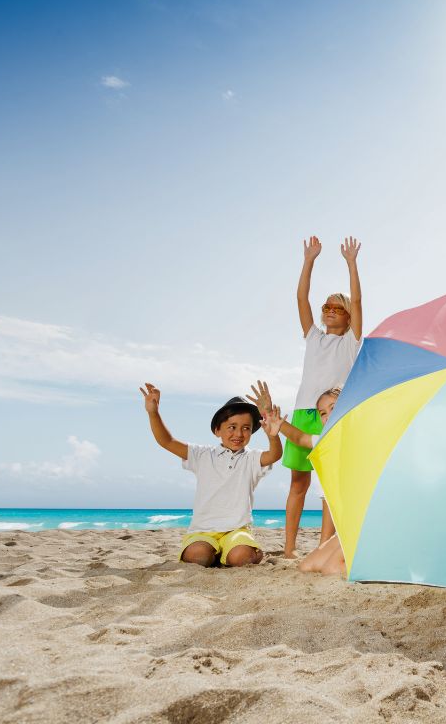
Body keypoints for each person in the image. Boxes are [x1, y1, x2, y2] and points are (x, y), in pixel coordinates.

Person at [140, 383, 282, 567]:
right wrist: (153, 412)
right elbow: (167, 441)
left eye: (246, 428)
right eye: (231, 427)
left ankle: (239, 552)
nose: (238, 433)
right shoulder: (202, 455)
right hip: (203, 531)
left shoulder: (251, 458)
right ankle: (215, 554)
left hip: (237, 531)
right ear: (217, 430)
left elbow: (274, 455)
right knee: (199, 557)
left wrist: (273, 435)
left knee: (241, 558)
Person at [284, 235, 363, 558]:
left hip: (332, 414)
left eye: (337, 307)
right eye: (326, 307)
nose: (330, 311)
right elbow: (300, 297)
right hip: (303, 412)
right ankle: (288, 549)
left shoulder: (351, 341)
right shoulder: (313, 337)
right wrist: (309, 260)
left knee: (328, 487)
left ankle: (322, 545)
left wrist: (351, 264)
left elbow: (358, 303)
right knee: (298, 483)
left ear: (346, 315)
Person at [246, 381, 346, 576]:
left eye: (333, 408)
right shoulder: (324, 442)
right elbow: (300, 438)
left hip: (359, 524)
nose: (327, 416)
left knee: (332, 569)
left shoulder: (357, 437)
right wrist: (271, 417)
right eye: (322, 413)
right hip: (344, 531)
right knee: (306, 566)